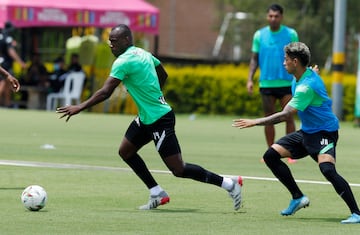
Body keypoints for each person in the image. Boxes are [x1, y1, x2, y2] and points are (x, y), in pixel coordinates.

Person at [56, 24, 243, 211]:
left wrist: (79, 107)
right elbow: (163, 73)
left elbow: (105, 92)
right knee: (125, 151)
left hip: (160, 119)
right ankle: (156, 192)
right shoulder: (143, 53)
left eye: (114, 41)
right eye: (109, 41)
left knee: (179, 169)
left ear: (126, 40)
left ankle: (229, 184)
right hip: (147, 117)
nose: (110, 45)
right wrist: (153, 96)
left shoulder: (123, 61)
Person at [233, 42, 360, 224]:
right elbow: (310, 74)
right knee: (271, 156)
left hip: (325, 133)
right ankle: (297, 197)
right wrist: (313, 72)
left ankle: (357, 213)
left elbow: (285, 115)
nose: (283, 63)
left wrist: (255, 122)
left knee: (327, 170)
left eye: (286, 60)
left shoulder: (305, 87)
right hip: (307, 133)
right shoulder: (301, 76)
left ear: (295, 61)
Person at [247, 4, 298, 163]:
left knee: (288, 117)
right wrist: (250, 79)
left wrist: (300, 78)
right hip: (267, 84)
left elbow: (298, 57)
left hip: (287, 83)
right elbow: (254, 59)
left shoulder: (291, 34)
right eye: (270, 16)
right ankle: (271, 152)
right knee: (268, 118)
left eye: (276, 16)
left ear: (281, 17)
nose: (273, 19)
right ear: (267, 17)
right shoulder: (259, 35)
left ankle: (290, 152)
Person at [0, 21, 26, 107]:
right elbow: (11, 51)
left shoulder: (1, 36)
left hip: (1, 62)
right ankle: (7, 104)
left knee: (7, 84)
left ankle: (7, 104)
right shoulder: (8, 37)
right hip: (5, 64)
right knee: (3, 83)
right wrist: (20, 62)